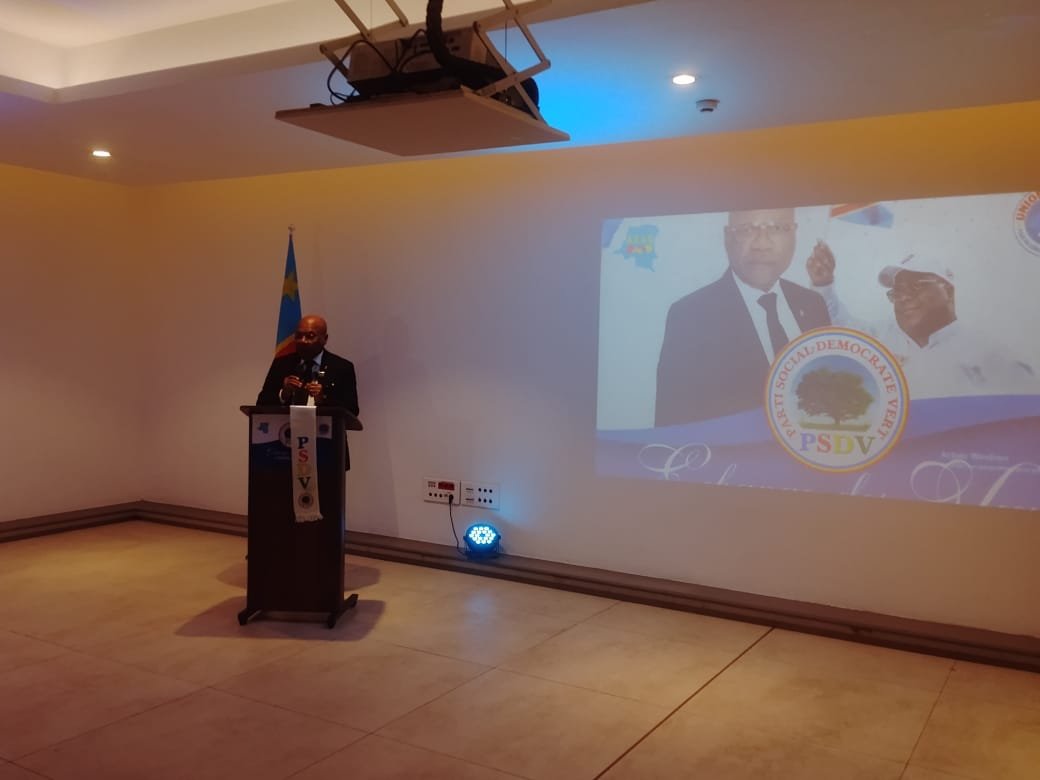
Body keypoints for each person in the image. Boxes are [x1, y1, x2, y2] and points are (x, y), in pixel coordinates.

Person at [655, 208, 831, 426]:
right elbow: (673, 429)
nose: (762, 244)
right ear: (727, 238)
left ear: (794, 235)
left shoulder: (813, 304)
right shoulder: (691, 316)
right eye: (747, 229)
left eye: (777, 228)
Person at [806, 246, 1037, 398]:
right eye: (897, 291)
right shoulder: (880, 337)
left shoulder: (990, 355)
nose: (904, 297)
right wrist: (823, 284)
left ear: (948, 291)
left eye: (916, 286)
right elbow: (837, 326)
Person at [257, 314, 360, 464]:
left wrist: (323, 399)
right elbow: (261, 404)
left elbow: (352, 410)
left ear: (325, 339)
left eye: (310, 336)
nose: (303, 341)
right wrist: (283, 394)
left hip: (327, 450)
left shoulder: (341, 367)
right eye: (299, 336)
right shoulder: (282, 364)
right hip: (283, 449)